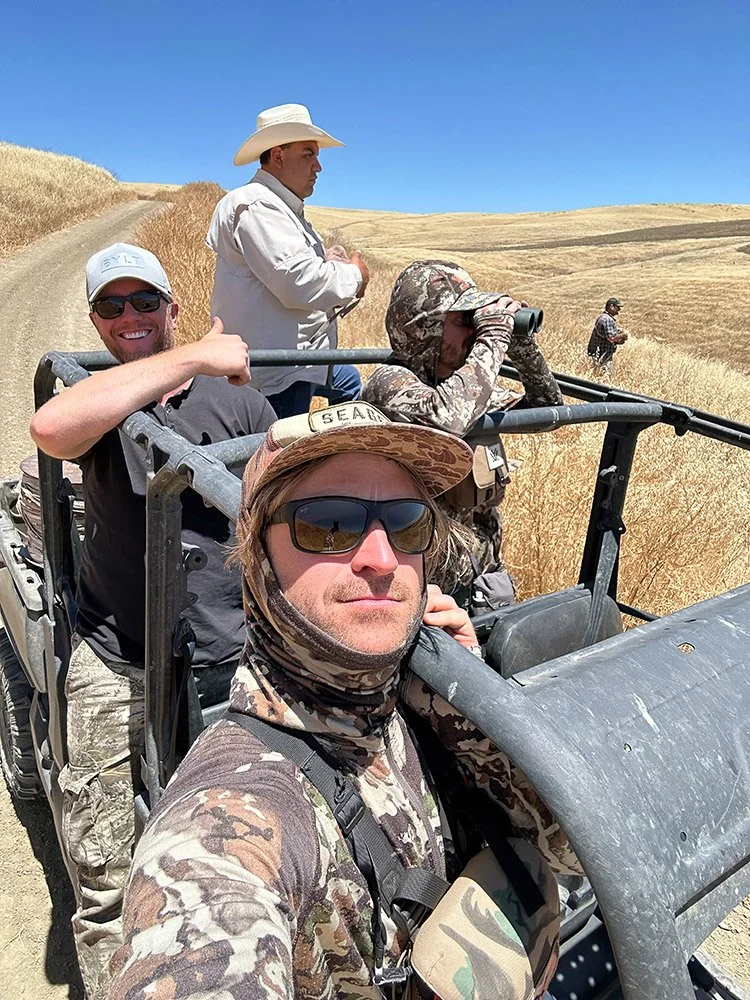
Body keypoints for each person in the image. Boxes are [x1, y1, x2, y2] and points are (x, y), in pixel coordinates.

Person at [110, 402, 582, 1000]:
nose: (381, 560)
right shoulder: (227, 823)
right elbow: (204, 934)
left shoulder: (414, 697)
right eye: (328, 525)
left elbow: (569, 852)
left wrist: (465, 696)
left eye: (407, 523)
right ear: (257, 556)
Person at [29, 242, 276, 1000]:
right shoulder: (102, 397)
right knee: (105, 872)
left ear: (172, 307)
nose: (129, 317)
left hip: (226, 662)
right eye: (111, 306)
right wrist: (195, 354)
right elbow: (51, 430)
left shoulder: (240, 405)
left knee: (241, 859)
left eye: (144, 302)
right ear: (97, 322)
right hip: (117, 655)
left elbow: (278, 514)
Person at [361, 259, 563, 606]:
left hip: (480, 578)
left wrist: (521, 346)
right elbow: (447, 418)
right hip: (420, 588)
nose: (473, 332)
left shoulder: (465, 388)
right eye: (462, 321)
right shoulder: (390, 382)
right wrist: (493, 338)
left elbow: (547, 411)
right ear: (425, 327)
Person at [207, 103, 370, 419]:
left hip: (300, 361)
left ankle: (338, 447)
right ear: (278, 156)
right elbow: (297, 281)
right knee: (283, 446)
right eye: (308, 155)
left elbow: (291, 266)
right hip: (277, 375)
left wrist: (328, 262)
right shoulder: (257, 205)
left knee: (349, 382)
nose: (318, 166)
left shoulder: (280, 208)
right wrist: (355, 276)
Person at [587, 297, 628, 376]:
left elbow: (606, 336)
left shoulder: (603, 318)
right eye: (618, 307)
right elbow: (611, 338)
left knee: (596, 375)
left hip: (598, 354)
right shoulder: (607, 319)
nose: (619, 310)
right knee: (605, 377)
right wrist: (623, 335)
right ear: (611, 307)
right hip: (603, 355)